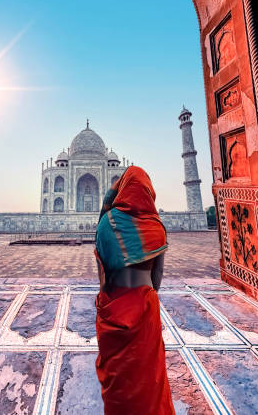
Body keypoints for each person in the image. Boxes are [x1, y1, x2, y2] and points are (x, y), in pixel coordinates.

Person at [95, 165, 175, 415]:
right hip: (145, 304)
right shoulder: (155, 226)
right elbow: (157, 276)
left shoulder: (107, 224)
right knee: (149, 376)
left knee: (119, 381)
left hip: (116, 304)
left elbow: (103, 273)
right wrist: (146, 297)